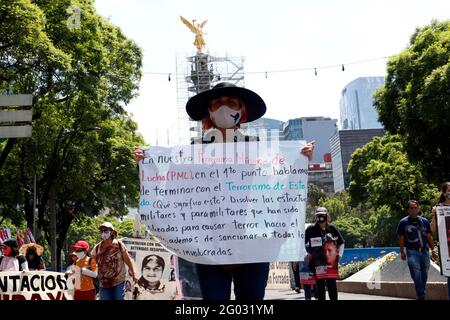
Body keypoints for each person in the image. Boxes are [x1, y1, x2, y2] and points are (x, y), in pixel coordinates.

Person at [134, 82, 315, 300]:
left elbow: (277, 188)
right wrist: (147, 166)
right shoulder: (192, 151)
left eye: (231, 103)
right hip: (208, 249)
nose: (224, 108)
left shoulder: (260, 149)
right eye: (217, 103)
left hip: (253, 246)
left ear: (242, 111)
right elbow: (173, 193)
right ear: (209, 111)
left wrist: (299, 161)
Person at [397, 200, 437, 300]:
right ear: (408, 210)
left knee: (425, 274)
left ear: (418, 209)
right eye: (412, 208)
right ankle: (421, 295)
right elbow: (401, 237)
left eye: (415, 208)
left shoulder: (424, 221)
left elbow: (429, 236)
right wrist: (402, 251)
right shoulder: (403, 222)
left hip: (424, 251)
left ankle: (421, 292)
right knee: (416, 275)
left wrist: (433, 250)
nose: (414, 210)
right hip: (412, 252)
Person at [305, 207, 344, 301]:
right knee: (320, 285)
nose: (320, 218)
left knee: (332, 284)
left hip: (331, 263)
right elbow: (301, 243)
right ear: (315, 217)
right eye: (318, 216)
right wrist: (306, 253)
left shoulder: (332, 228)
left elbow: (341, 242)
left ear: (327, 216)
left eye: (322, 215)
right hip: (317, 263)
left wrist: (340, 255)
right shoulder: (310, 229)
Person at [91, 222, 138, 300]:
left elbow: (127, 259)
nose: (103, 232)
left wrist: (134, 273)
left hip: (119, 281)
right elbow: (92, 263)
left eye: (105, 230)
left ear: (112, 232)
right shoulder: (97, 248)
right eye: (101, 231)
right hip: (103, 283)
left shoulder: (119, 244)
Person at [430, 182, 450, 300]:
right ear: (444, 192)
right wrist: (434, 215)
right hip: (447, 249)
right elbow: (432, 229)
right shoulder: (439, 208)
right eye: (448, 190)